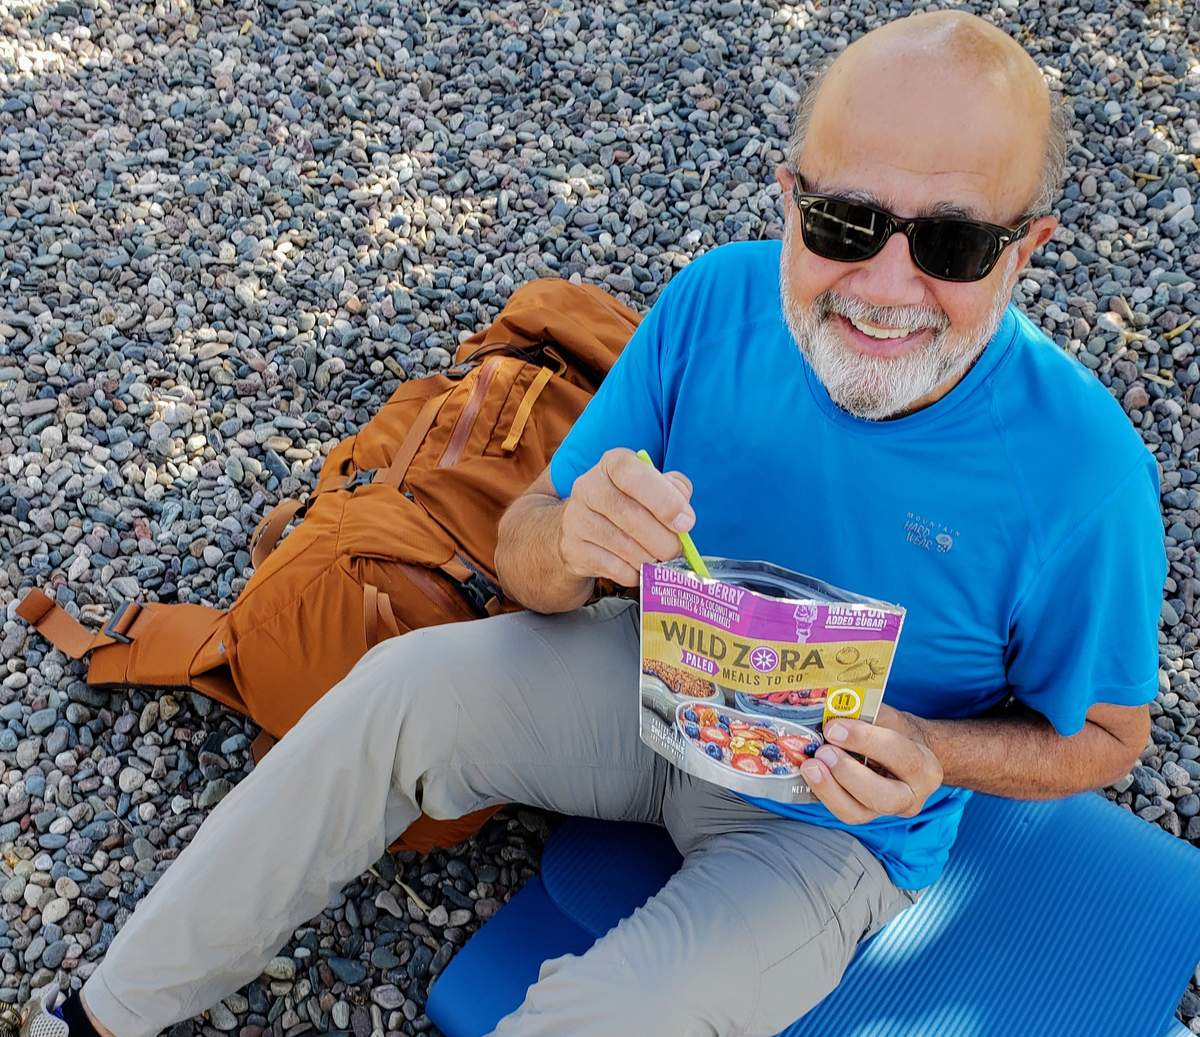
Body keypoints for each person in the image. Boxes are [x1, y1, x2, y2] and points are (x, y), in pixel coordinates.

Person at [18, 10, 1165, 1037]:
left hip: (832, 820)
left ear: (1028, 249)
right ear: (788, 197)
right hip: (646, 679)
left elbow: (1109, 734)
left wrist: (937, 753)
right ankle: (105, 1014)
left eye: (954, 244)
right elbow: (527, 543)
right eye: (846, 219)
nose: (887, 284)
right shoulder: (715, 300)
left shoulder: (1082, 475)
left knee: (610, 1017)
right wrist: (568, 542)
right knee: (390, 693)